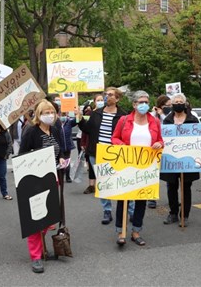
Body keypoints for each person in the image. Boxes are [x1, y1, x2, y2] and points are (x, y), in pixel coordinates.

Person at [111, 90, 164, 246]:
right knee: (123, 199)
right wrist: (125, 148)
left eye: (146, 102)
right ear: (134, 104)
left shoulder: (155, 122)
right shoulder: (124, 120)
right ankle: (121, 231)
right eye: (141, 102)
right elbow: (114, 138)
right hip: (127, 164)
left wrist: (159, 144)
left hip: (146, 166)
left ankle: (136, 231)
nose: (144, 105)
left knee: (141, 199)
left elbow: (161, 140)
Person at [18, 99, 65, 273]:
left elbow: (60, 150)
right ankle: (36, 256)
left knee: (50, 218)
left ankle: (42, 245)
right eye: (46, 112)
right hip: (35, 180)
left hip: (53, 177)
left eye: (52, 112)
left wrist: (61, 158)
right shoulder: (31, 131)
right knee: (36, 220)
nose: (50, 115)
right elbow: (22, 155)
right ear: (39, 115)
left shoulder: (55, 130)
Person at [77, 88, 130, 225]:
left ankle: (127, 209)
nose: (107, 97)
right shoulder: (96, 113)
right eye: (106, 94)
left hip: (115, 154)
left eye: (110, 95)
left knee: (119, 181)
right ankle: (107, 210)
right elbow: (87, 130)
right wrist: (80, 119)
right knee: (102, 183)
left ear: (117, 99)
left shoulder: (123, 116)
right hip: (97, 152)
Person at [161, 93, 200, 226]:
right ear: (172, 105)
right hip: (171, 161)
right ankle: (173, 213)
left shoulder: (193, 120)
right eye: (175, 101)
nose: (178, 103)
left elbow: (199, 139)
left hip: (187, 161)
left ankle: (185, 214)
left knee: (186, 188)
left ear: (184, 103)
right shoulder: (167, 120)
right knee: (171, 187)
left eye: (180, 101)